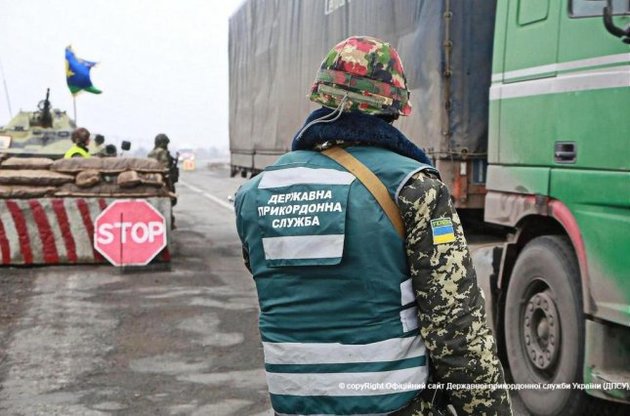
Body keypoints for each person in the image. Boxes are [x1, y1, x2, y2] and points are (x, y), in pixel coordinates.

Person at [234, 36, 512, 415]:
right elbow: (455, 327)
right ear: (394, 109)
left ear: (322, 97)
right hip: (392, 402)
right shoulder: (414, 188)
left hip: (295, 402)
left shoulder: (255, 194)